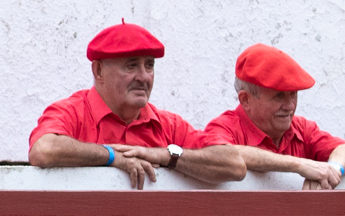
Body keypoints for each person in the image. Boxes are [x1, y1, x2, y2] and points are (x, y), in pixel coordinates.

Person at [28, 20, 245, 189]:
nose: (144, 77)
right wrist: (111, 156)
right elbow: (43, 150)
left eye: (149, 66)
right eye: (131, 66)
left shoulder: (167, 124)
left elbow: (234, 165)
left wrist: (164, 155)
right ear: (99, 71)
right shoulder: (72, 111)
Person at [205, 44, 345, 190]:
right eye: (278, 96)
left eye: (293, 94)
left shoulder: (301, 128)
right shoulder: (224, 127)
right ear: (246, 99)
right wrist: (299, 165)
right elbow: (220, 154)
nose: (290, 106)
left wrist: (332, 170)